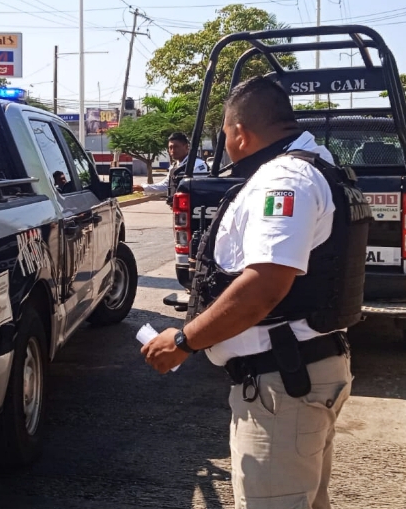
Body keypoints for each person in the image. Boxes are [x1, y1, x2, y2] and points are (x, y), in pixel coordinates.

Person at [143, 77, 361, 509]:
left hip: (282, 387)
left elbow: (264, 285)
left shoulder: (283, 178)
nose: (225, 145)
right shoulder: (312, 164)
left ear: (239, 133)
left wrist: (184, 341)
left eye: (224, 134)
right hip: (293, 375)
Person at [132, 132, 208, 198]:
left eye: (176, 147)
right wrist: (142, 187)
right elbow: (165, 186)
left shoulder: (197, 164)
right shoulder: (174, 166)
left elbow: (200, 189)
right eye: (170, 147)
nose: (173, 151)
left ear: (186, 147)